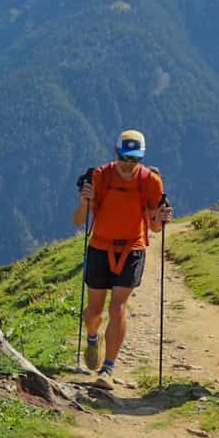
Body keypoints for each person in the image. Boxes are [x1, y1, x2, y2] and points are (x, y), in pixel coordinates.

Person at [72, 129, 171, 388]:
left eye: (134, 159)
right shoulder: (100, 177)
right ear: (116, 153)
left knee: (117, 308)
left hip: (132, 249)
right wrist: (84, 201)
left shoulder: (151, 181)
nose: (129, 164)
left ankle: (108, 369)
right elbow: (79, 221)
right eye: (125, 158)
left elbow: (154, 227)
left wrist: (160, 220)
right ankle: (93, 337)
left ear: (142, 158)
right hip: (99, 247)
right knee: (94, 312)